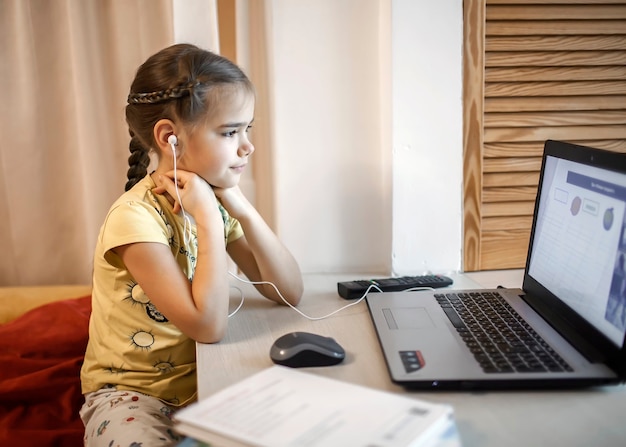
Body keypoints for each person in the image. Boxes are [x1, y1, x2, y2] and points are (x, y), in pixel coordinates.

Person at [79, 43, 303, 446]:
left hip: (209, 381)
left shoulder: (211, 202)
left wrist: (240, 207)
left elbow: (287, 292)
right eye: (231, 131)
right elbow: (208, 326)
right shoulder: (135, 219)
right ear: (171, 138)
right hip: (135, 396)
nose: (247, 146)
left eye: (247, 129)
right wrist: (207, 218)